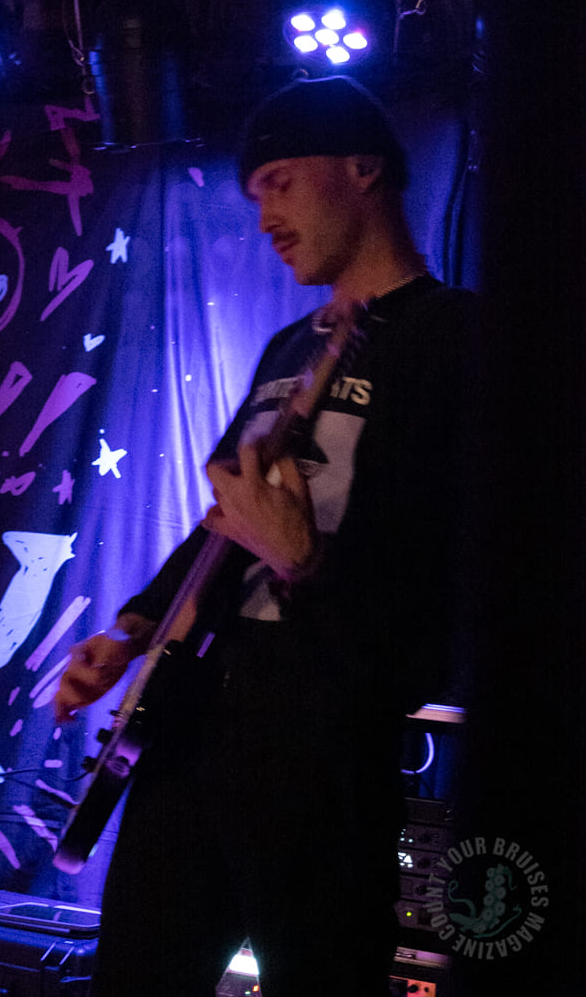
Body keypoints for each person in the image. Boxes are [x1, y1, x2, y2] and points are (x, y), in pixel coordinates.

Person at [54, 76, 477, 996]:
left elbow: (452, 578)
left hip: (324, 746)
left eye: (280, 182)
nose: (266, 218)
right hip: (195, 724)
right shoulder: (292, 348)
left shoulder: (456, 339)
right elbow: (224, 524)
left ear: (363, 168)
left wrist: (307, 561)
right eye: (253, 196)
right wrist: (132, 631)